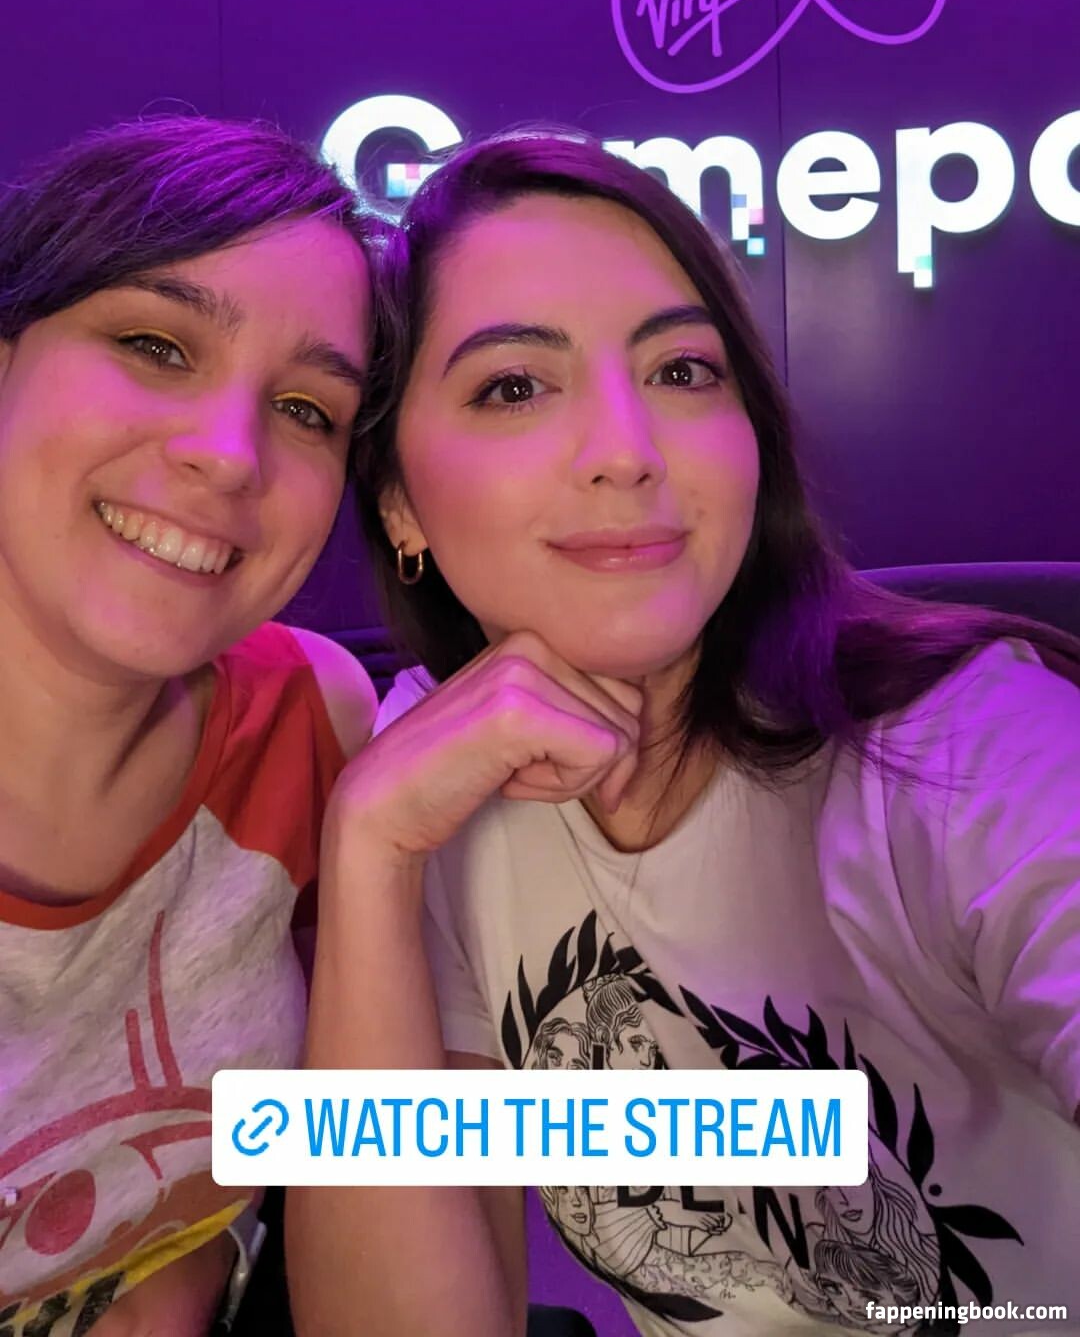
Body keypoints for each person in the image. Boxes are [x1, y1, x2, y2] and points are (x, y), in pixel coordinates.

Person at [293, 129, 1080, 1337]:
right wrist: (369, 849)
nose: (626, 452)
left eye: (682, 370)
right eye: (515, 386)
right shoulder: (428, 787)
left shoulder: (970, 741)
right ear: (398, 500)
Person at [0, 116, 381, 1337]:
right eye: (155, 345)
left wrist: (791, 1125)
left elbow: (358, 1135)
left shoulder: (312, 717)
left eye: (308, 410)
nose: (229, 456)